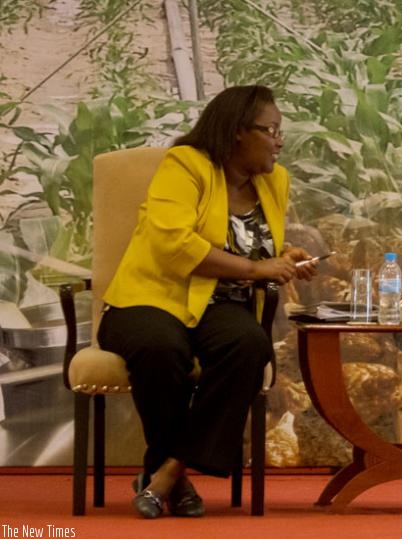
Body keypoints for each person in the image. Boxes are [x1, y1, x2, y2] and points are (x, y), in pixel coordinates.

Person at [97, 85, 319, 518]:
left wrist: (282, 257)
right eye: (271, 129)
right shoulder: (186, 164)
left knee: (248, 345)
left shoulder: (275, 180)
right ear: (237, 131)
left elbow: (249, 244)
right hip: (151, 297)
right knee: (162, 347)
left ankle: (165, 473)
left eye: (280, 131)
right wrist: (258, 270)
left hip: (219, 305)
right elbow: (174, 245)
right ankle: (172, 478)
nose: (279, 140)